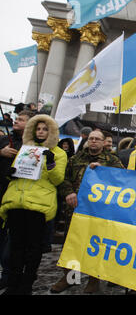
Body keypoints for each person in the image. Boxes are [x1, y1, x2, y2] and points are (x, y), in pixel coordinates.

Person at [0, 114, 67, 295]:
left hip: (39, 205)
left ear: (51, 131)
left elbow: (57, 179)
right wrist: (10, 172)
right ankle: (13, 283)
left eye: (45, 129)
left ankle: (26, 284)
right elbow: (12, 173)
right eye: (38, 129)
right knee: (15, 246)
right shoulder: (25, 149)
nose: (41, 132)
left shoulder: (59, 153)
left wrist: (51, 162)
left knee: (33, 248)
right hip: (16, 202)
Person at [50, 130, 124, 294]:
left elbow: (122, 181)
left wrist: (103, 170)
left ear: (104, 142)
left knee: (95, 246)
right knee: (72, 244)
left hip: (99, 213)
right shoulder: (75, 159)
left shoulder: (112, 161)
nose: (94, 141)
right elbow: (63, 179)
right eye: (91, 138)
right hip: (75, 210)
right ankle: (71, 278)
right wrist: (68, 192)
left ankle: (93, 280)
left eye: (97, 139)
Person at [0, 110, 34, 290]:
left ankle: (7, 276)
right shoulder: (5, 140)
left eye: (21, 120)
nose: (16, 121)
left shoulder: (32, 145)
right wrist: (1, 152)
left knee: (11, 243)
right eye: (16, 118)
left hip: (14, 197)